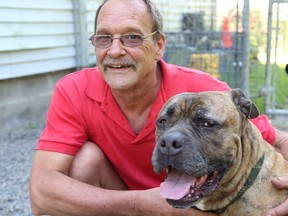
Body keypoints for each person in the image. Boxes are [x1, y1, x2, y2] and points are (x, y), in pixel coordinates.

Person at [29, 0, 288, 215]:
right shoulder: (74, 90)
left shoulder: (204, 92)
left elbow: (278, 141)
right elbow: (41, 193)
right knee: (85, 160)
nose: (115, 50)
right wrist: (141, 204)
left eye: (132, 37)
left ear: (159, 46)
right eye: (104, 38)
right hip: (136, 203)